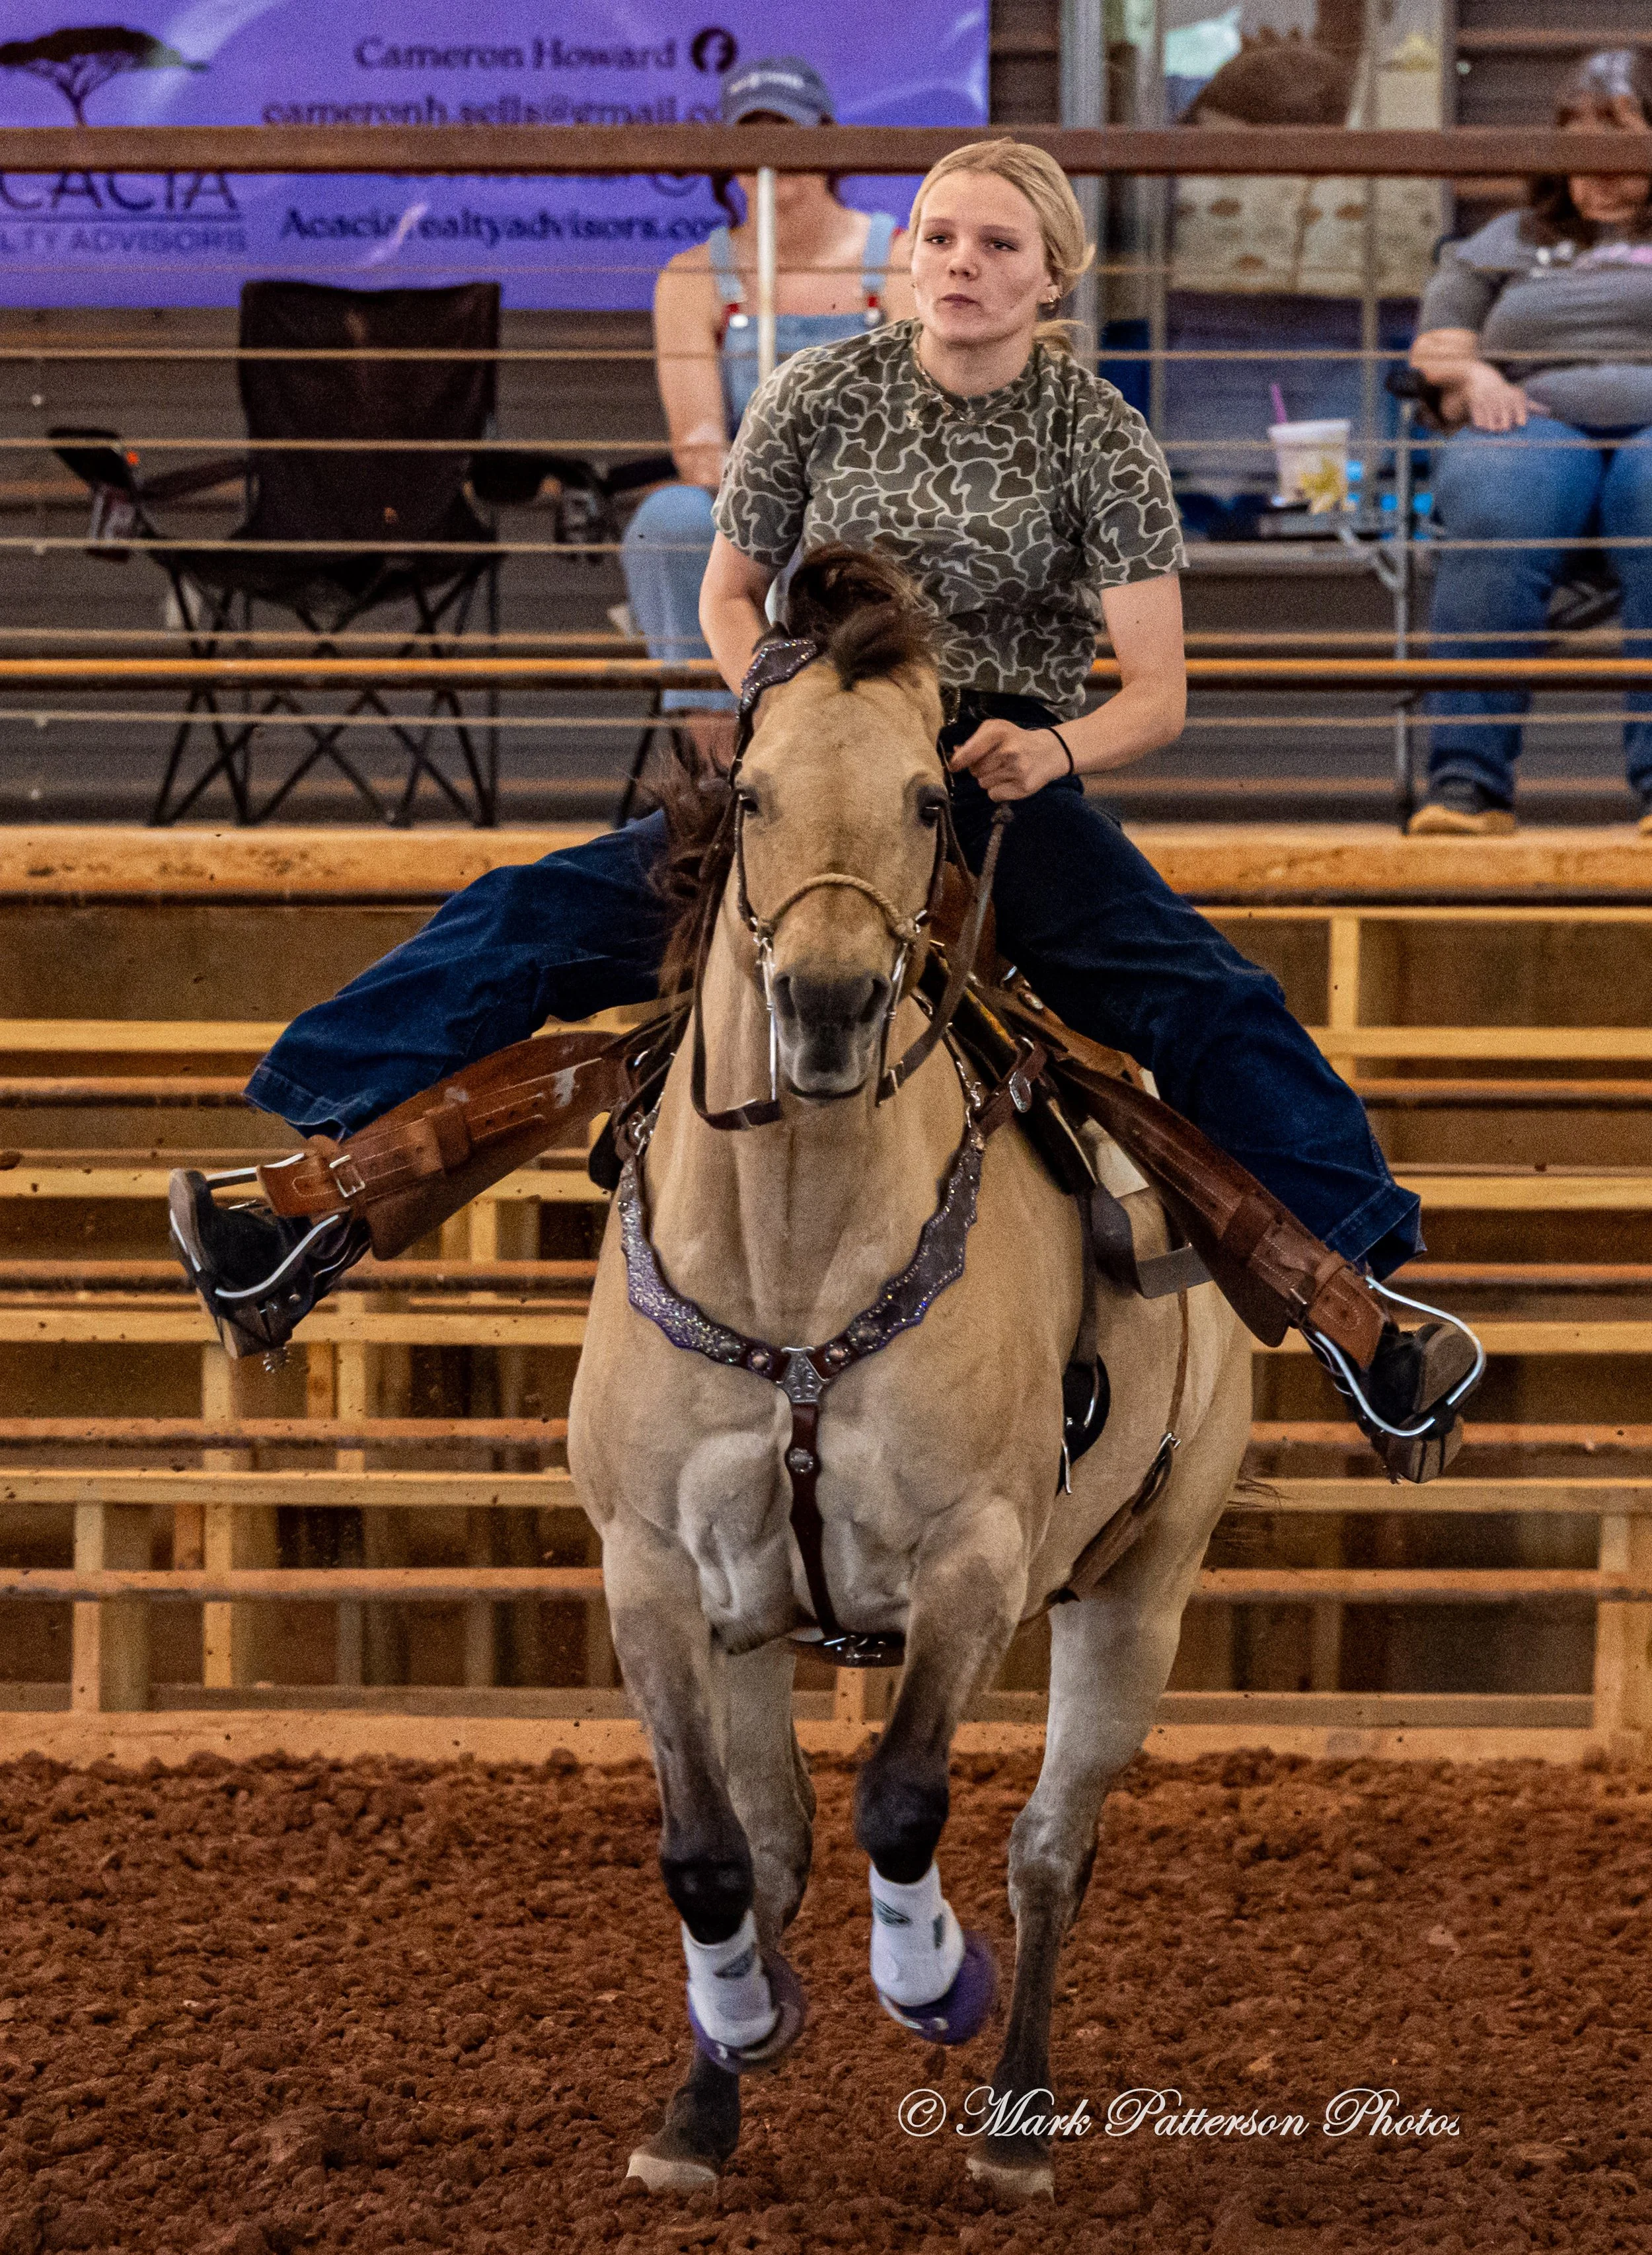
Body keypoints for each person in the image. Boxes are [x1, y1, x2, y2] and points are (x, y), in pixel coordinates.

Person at [171, 139, 1479, 1482]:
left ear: (1049, 278)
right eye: (940, 237)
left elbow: (1156, 693)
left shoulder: (1100, 434)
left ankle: (1360, 1312)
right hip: (816, 764)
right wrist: (781, 720)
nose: (961, 263)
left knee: (1199, 996)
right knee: (532, 914)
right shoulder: (817, 388)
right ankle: (309, 1197)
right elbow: (726, 598)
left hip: (983, 778)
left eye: (995, 246)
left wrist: (1058, 754)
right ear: (906, 257)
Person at [619, 56, 913, 771]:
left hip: (867, 500)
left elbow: (916, 423)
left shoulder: (901, 261)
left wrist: (834, 502)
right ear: (726, 164)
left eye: (790, 138)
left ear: (829, 143)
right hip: (746, 504)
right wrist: (771, 502)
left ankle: (877, 762)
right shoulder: (693, 277)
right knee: (670, 524)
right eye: (751, 145)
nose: (772, 165)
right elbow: (697, 446)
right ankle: (735, 779)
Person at [1408, 49, 1652, 837]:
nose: (1597, 168)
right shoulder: (1505, 239)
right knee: (1495, 498)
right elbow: (1434, 348)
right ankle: (1467, 790)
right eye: (1576, 141)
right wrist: (1473, 375)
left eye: (1616, 138)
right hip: (1528, 417)